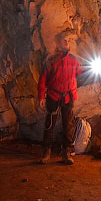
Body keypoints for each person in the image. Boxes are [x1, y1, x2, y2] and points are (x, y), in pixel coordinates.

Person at [38, 30, 80, 164]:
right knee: (50, 124)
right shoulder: (51, 61)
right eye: (64, 40)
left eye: (68, 40)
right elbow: (42, 80)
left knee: (68, 124)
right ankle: (47, 151)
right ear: (58, 44)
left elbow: (81, 73)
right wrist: (41, 97)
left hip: (68, 96)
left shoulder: (74, 60)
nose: (67, 42)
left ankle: (67, 151)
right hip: (53, 96)